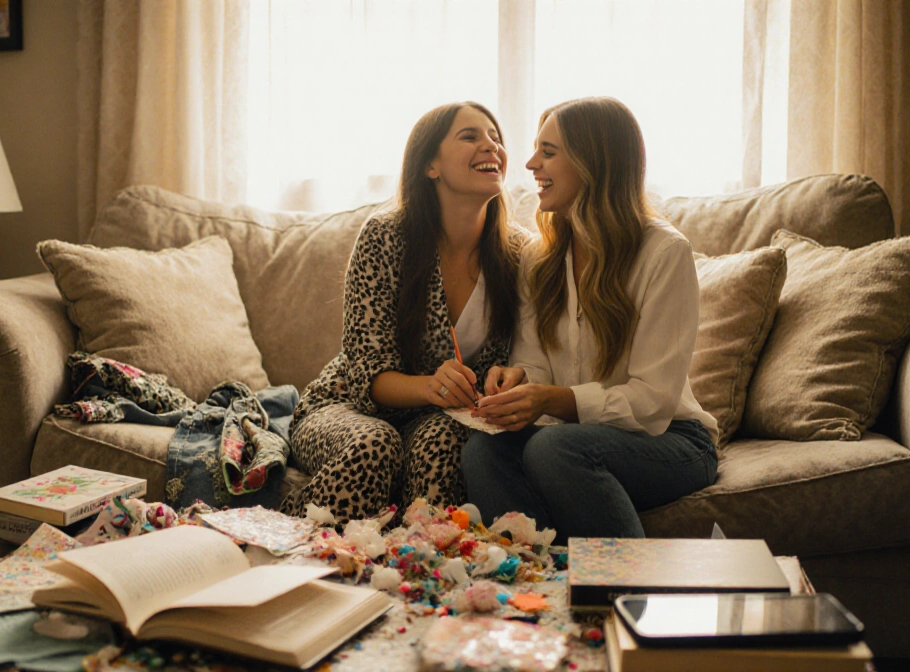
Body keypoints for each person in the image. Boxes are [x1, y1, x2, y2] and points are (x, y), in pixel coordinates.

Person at [460, 97, 719, 541]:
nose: (529, 163)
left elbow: (654, 400)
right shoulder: (540, 258)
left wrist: (551, 400)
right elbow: (536, 360)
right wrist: (520, 381)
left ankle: (625, 595)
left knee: (554, 448)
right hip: (573, 438)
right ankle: (539, 590)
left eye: (549, 151)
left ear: (593, 162)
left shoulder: (663, 252)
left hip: (672, 440)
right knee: (483, 450)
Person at [280, 102, 530, 522]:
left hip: (442, 418)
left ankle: (417, 566)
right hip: (348, 407)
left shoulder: (520, 254)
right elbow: (365, 371)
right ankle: (280, 544)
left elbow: (531, 355)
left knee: (446, 442)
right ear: (430, 164)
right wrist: (432, 386)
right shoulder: (384, 237)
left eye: (496, 137)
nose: (492, 146)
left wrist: (511, 378)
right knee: (375, 445)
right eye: (470, 136)